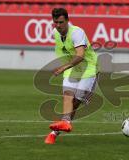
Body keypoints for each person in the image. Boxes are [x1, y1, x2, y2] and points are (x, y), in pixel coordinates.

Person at [44, 8, 98, 144]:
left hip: (89, 68)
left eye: (61, 22)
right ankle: (63, 125)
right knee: (67, 95)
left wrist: (63, 67)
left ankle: (57, 130)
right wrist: (66, 67)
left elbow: (80, 55)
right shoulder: (55, 33)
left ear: (67, 21)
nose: (58, 25)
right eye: (55, 22)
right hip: (72, 68)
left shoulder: (77, 32)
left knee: (76, 101)